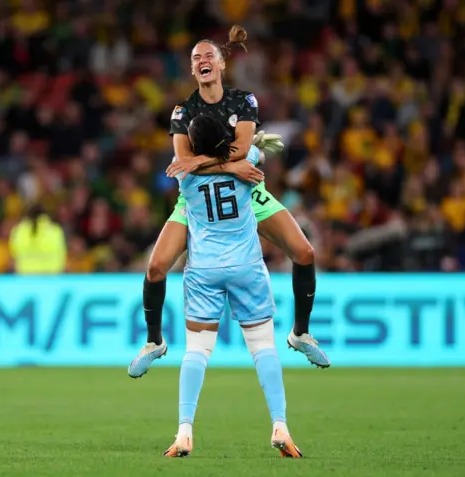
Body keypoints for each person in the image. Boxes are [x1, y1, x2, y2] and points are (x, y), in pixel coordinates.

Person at [128, 25, 329, 378]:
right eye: (196, 58)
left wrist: (211, 160)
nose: (202, 61)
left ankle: (300, 333)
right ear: (192, 70)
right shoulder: (182, 111)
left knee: (305, 253)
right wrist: (234, 165)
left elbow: (235, 149)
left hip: (247, 192)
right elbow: (184, 167)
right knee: (156, 267)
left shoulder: (243, 101)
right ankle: (154, 341)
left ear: (221, 65)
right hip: (197, 200)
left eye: (208, 56)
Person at [163, 114, 302, 458]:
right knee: (263, 347)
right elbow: (252, 154)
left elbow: (195, 165)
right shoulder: (246, 162)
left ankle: (184, 433)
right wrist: (242, 152)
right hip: (246, 267)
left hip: (204, 269)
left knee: (196, 350)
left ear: (193, 145)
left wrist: (197, 159)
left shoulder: (184, 174)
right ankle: (280, 426)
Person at [9, 205, 66, 274]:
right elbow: (62, 257)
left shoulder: (18, 231)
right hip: (51, 279)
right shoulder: (55, 231)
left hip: (25, 279)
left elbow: (13, 258)